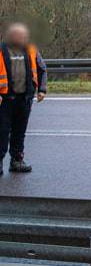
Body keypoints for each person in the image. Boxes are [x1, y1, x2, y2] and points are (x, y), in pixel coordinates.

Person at [0, 23, 47, 173]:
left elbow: (41, 69)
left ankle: (17, 161)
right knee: (2, 131)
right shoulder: (1, 50)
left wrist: (42, 90)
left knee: (19, 131)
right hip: (4, 99)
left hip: (24, 98)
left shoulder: (31, 49)